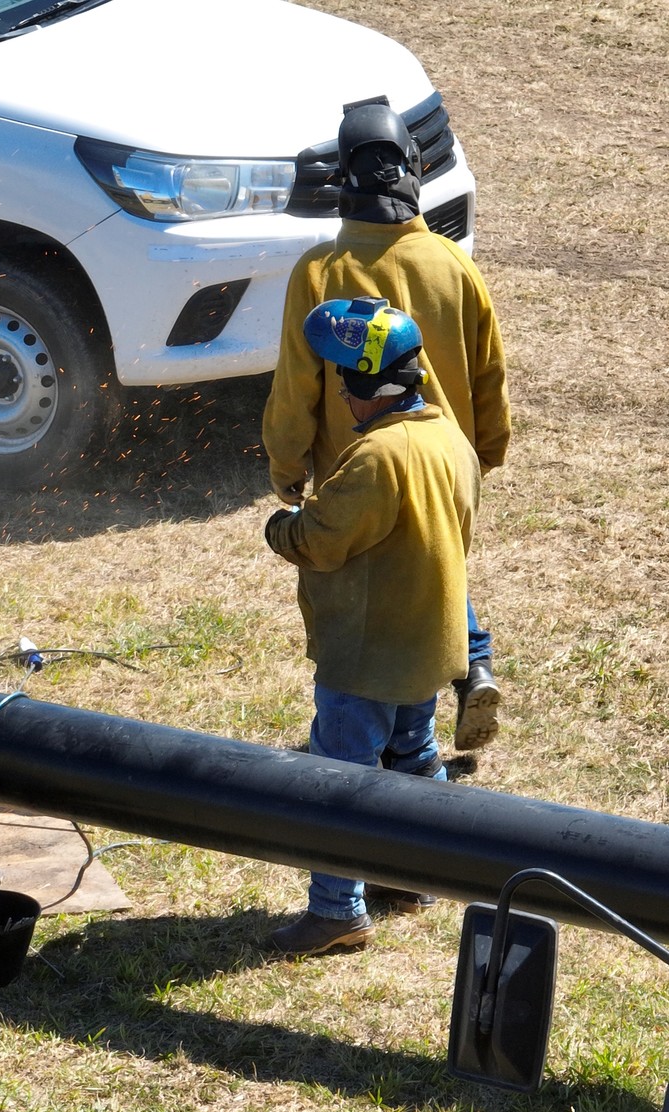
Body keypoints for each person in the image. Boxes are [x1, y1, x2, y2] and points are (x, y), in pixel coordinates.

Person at [263, 99, 510, 753]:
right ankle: (461, 675)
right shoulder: (452, 264)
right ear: (415, 170)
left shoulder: (321, 273)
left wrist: (285, 466)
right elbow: (489, 373)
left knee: (377, 609)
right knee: (434, 570)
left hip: (361, 479)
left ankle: (363, 753)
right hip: (446, 463)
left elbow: (294, 388)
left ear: (341, 180)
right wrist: (484, 451)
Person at [264, 296, 480, 957]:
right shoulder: (449, 438)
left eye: (340, 381)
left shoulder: (374, 459)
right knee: (414, 760)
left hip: (368, 653)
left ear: (362, 387)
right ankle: (412, 880)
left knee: (340, 776)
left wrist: (281, 528)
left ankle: (336, 912)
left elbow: (320, 540)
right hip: (427, 642)